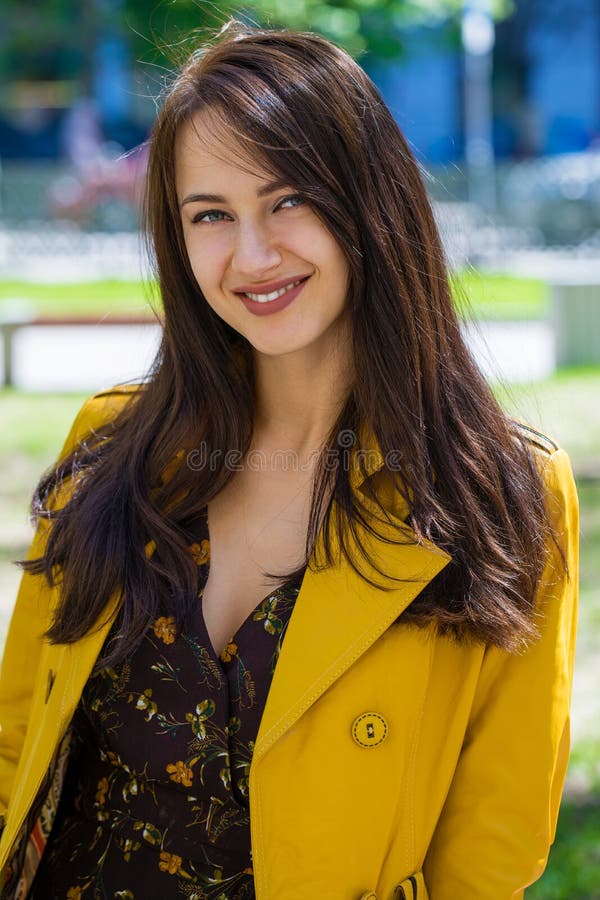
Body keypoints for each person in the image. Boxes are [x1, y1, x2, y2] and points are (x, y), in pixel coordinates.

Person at [0, 21, 578, 900]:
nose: (253, 255)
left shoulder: (504, 494)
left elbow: (489, 852)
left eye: (289, 201)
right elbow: (16, 745)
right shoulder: (110, 446)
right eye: (211, 216)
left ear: (369, 202)